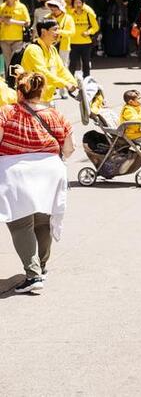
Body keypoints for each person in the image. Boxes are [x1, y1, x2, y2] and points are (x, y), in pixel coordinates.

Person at [0, 72, 74, 294]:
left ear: (19, 91)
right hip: (50, 173)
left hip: (17, 173)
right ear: (41, 91)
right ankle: (40, 268)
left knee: (21, 224)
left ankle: (33, 276)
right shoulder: (56, 115)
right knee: (43, 222)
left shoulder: (6, 113)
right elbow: (68, 149)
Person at [20, 20, 77, 103]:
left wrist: (73, 82)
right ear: (43, 31)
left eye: (58, 29)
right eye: (55, 29)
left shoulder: (52, 49)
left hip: (47, 98)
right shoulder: (33, 49)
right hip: (31, 100)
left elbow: (61, 70)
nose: (58, 33)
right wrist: (65, 84)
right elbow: (42, 73)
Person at [67, 0, 99, 77]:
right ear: (73, 4)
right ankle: (71, 82)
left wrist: (88, 32)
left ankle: (86, 80)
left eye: (79, 3)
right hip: (72, 42)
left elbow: (95, 27)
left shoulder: (88, 14)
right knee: (72, 64)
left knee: (86, 64)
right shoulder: (69, 14)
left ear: (83, 4)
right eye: (76, 3)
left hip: (86, 43)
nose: (78, 5)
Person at [0, 0, 30, 70]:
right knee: (7, 62)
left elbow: (27, 23)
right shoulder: (2, 7)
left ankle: (15, 81)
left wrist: (12, 21)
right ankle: (9, 81)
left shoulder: (22, 7)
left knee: (16, 62)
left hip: (17, 39)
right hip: (4, 39)